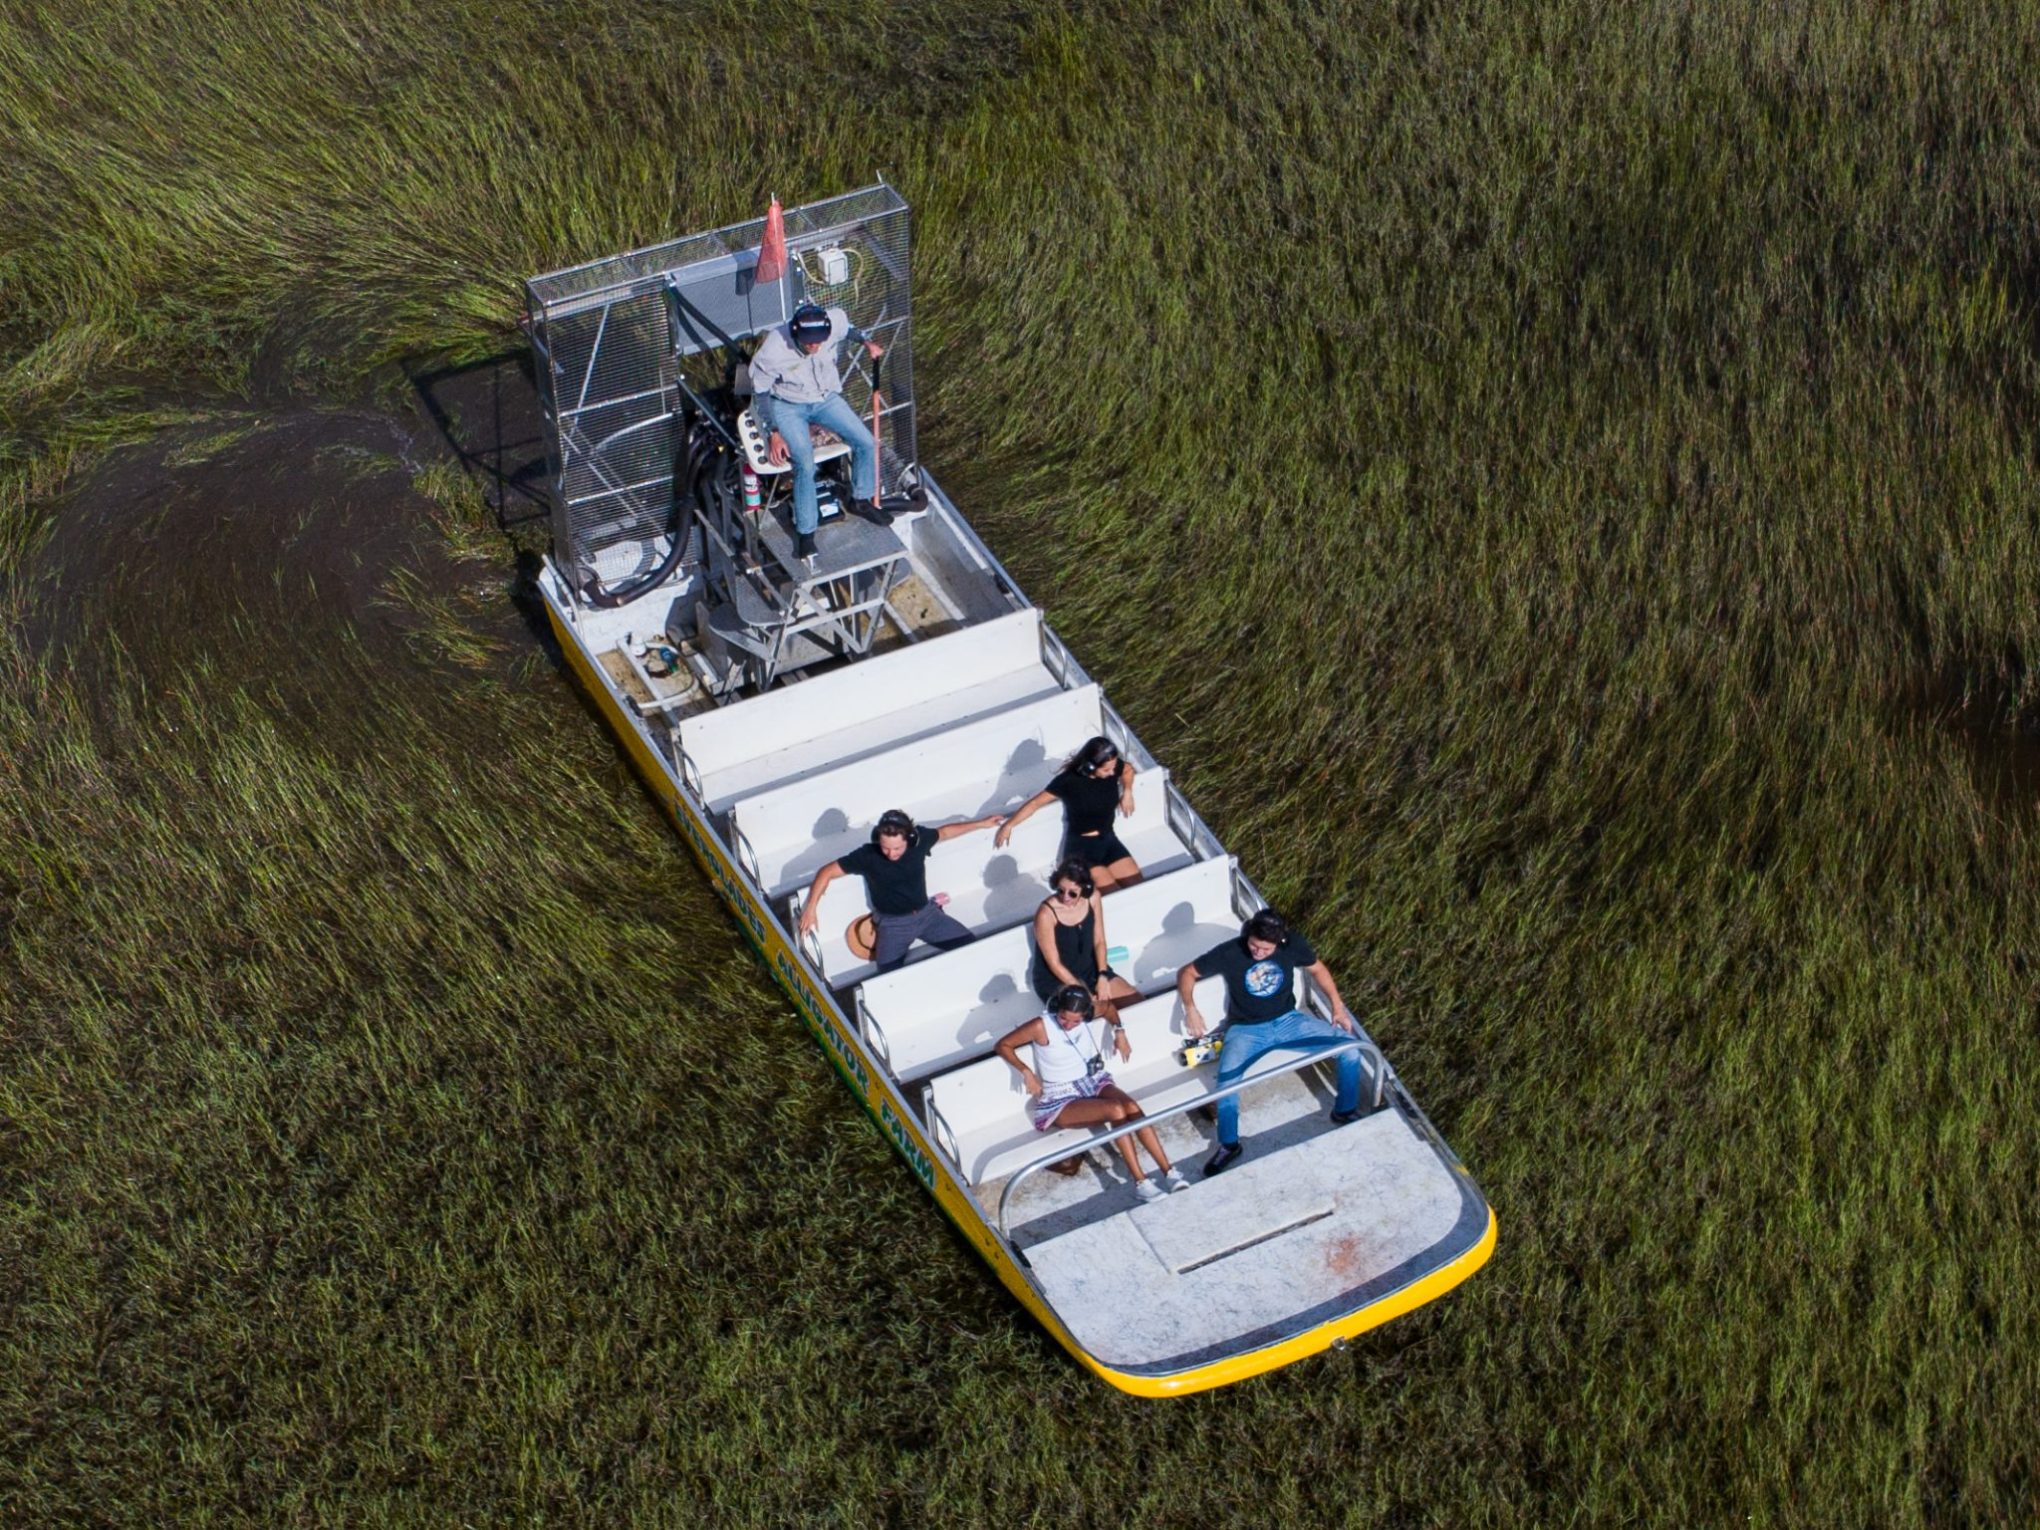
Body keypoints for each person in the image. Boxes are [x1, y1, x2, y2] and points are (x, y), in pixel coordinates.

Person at [1177, 909, 1363, 1177]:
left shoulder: (1293, 944)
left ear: (1280, 942)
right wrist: (1190, 1008)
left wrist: (1337, 1007)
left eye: (1265, 949)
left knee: (1350, 1050)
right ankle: (1229, 1145)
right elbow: (1187, 972)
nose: (1258, 952)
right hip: (1245, 1029)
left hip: (1289, 1021)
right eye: (1254, 945)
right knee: (1226, 1085)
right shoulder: (1230, 951)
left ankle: (1344, 1111)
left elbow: (1318, 968)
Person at [995, 985, 1188, 1201]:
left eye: (1076, 1021)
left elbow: (1108, 1008)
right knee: (1116, 1109)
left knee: (1132, 1107)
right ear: (1057, 1009)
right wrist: (1026, 1072)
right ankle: (1140, 1182)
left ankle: (1169, 1171)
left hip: (1092, 1081)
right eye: (1063, 1018)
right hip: (1060, 1096)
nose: (1068, 1025)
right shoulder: (1042, 1025)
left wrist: (1120, 1032)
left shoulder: (1091, 1013)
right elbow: (1003, 1045)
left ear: (1085, 1015)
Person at [748, 300, 884, 560]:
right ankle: (805, 533)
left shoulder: (833, 322)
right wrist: (773, 433)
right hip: (788, 405)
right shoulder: (774, 348)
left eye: (819, 341)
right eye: (809, 342)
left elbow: (849, 329)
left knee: (866, 442)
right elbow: (761, 394)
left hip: (825, 399)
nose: (814, 346)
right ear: (796, 332)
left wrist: (866, 342)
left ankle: (861, 499)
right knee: (805, 464)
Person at [797, 808, 1001, 973]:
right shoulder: (868, 855)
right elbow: (827, 871)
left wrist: (981, 824)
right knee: (888, 975)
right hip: (893, 925)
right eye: (886, 848)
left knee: (971, 946)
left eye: (897, 848)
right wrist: (811, 907)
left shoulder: (919, 840)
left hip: (928, 916)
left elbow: (945, 832)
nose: (891, 853)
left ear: (909, 839)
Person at [994, 736, 1143, 892]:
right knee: (1113, 892)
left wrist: (1127, 791)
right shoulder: (1069, 781)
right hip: (1081, 850)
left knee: (1138, 887)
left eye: (1113, 767)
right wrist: (1009, 825)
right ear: (1090, 767)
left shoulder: (1113, 768)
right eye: (1106, 770)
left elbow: (1127, 769)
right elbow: (1035, 803)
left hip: (1108, 839)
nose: (1113, 772)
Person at [1030, 860, 1142, 1020]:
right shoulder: (1046, 914)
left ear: (1085, 889)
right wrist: (1083, 992)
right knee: (1088, 1013)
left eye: (1072, 893)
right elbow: (1054, 963)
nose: (1065, 897)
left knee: (1136, 1003)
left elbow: (1099, 941)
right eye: (1060, 891)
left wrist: (1103, 975)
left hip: (1090, 970)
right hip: (1058, 979)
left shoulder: (1093, 897)